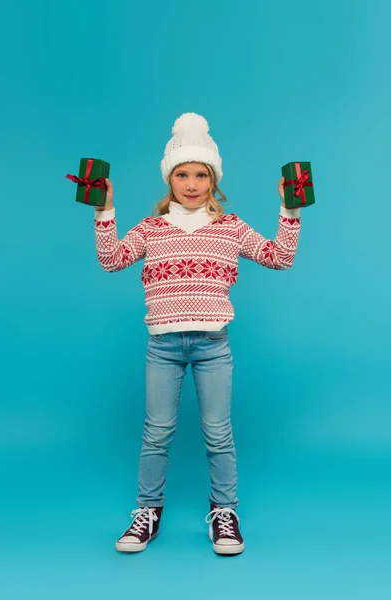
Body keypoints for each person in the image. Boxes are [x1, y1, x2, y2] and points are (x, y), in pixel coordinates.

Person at [93, 113, 301, 555]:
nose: (191, 183)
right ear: (170, 178)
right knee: (157, 431)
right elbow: (111, 259)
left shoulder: (230, 228)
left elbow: (279, 257)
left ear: (213, 180)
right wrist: (104, 209)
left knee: (218, 432)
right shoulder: (152, 228)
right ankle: (148, 510)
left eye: (200, 174)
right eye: (182, 174)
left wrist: (290, 209)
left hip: (212, 346)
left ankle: (225, 512)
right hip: (163, 347)